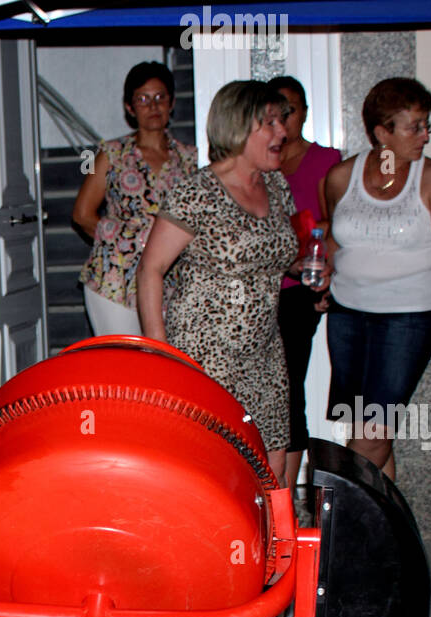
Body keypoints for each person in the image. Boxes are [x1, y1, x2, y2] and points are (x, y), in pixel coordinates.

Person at [137, 80, 324, 484]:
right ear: (240, 128)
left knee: (273, 467)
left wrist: (309, 268)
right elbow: (150, 268)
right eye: (270, 123)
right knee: (217, 469)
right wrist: (160, 350)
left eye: (282, 121)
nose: (283, 133)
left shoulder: (276, 186)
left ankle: (266, 547)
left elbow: (284, 254)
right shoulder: (197, 193)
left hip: (266, 351)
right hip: (206, 357)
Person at [321, 77, 431, 481]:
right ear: (382, 132)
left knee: (374, 431)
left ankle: (335, 516)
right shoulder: (342, 176)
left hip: (406, 319)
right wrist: (319, 275)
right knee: (364, 428)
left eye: (426, 125)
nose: (425, 135)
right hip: (347, 317)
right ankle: (383, 536)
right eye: (414, 126)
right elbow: (333, 239)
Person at [73, 62, 198, 336]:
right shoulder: (111, 153)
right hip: (115, 278)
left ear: (172, 103)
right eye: (143, 99)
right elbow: (82, 214)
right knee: (121, 364)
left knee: (164, 366)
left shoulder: (189, 159)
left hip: (169, 278)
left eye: (160, 98)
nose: (153, 107)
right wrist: (123, 241)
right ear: (130, 108)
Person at [269, 75, 342, 492]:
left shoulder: (324, 159)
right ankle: (267, 488)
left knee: (289, 382)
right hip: (261, 289)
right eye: (276, 109)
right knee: (267, 386)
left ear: (305, 113)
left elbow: (339, 222)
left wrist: (324, 272)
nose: (284, 117)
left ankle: (290, 493)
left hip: (302, 290)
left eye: (291, 108)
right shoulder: (263, 159)